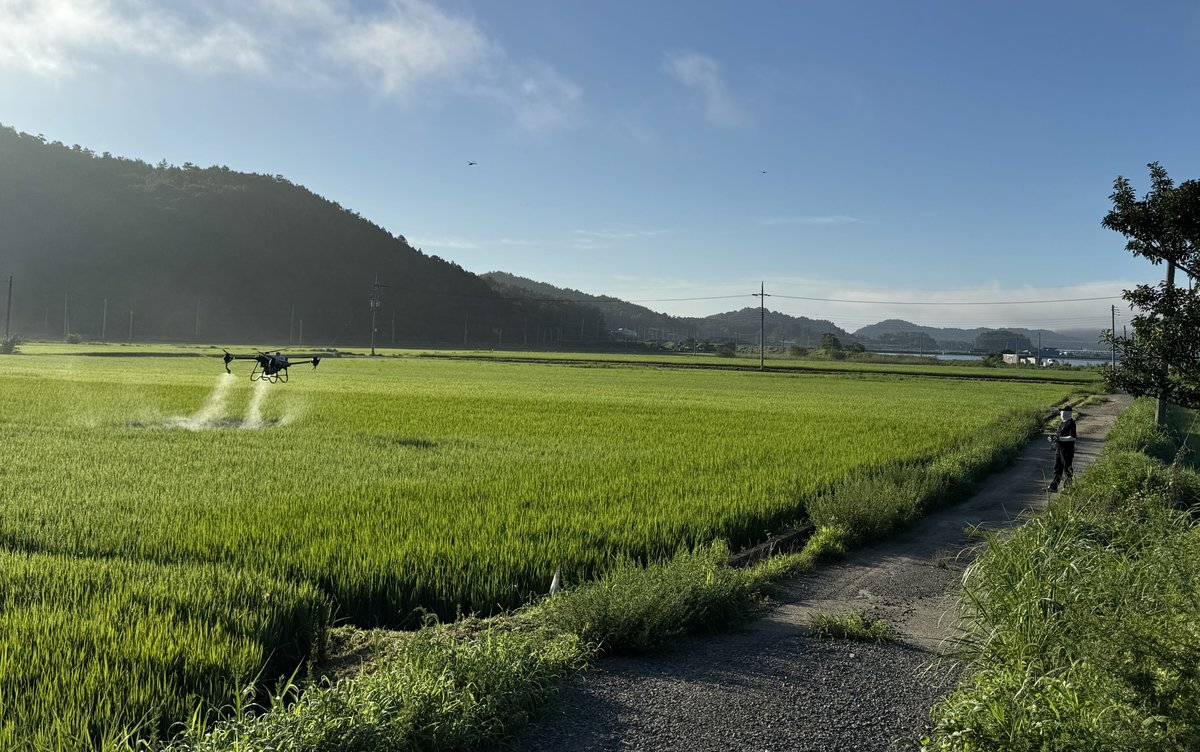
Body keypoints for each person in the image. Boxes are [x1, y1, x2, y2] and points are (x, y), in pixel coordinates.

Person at [1047, 406, 1077, 491]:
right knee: (1057, 468)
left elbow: (1073, 437)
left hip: (1067, 450)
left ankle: (1068, 488)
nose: (1061, 413)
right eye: (1061, 412)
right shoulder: (1062, 423)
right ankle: (1054, 486)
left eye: (1062, 412)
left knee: (1067, 468)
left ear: (1067, 413)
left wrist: (1060, 439)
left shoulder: (1071, 423)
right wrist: (1053, 438)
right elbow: (1059, 436)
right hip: (1059, 449)